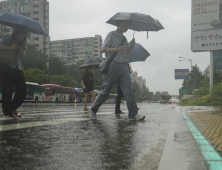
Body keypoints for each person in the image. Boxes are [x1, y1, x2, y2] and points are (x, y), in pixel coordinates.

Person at [89, 20, 145, 120]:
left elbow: (126, 54)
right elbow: (103, 49)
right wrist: (116, 49)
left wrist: (131, 46)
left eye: (128, 25)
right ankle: (93, 109)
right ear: (119, 23)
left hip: (123, 66)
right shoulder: (111, 34)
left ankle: (133, 114)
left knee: (129, 91)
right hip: (113, 65)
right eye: (125, 24)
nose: (127, 27)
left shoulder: (124, 38)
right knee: (106, 90)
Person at [0, 28, 27, 118]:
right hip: (5, 67)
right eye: (21, 35)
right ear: (16, 34)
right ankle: (7, 112)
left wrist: (19, 48)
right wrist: (11, 47)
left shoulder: (22, 45)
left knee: (22, 90)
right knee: (7, 90)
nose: (22, 37)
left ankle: (13, 107)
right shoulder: (7, 39)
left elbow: (23, 57)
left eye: (24, 36)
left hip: (17, 68)